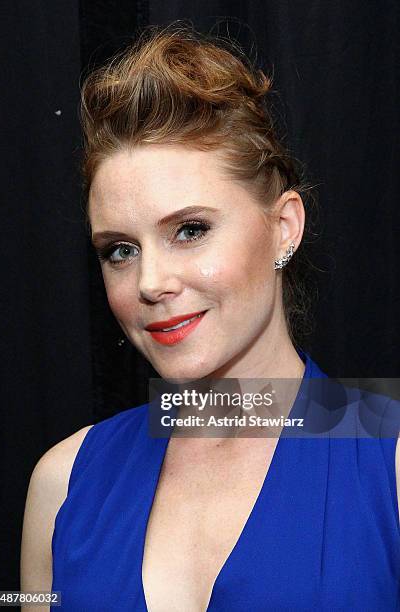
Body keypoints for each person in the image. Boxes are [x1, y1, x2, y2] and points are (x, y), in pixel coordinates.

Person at [20, 25, 400, 611]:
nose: (149, 283)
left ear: (284, 228)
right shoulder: (63, 483)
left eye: (189, 230)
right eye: (120, 249)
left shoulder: (389, 462)